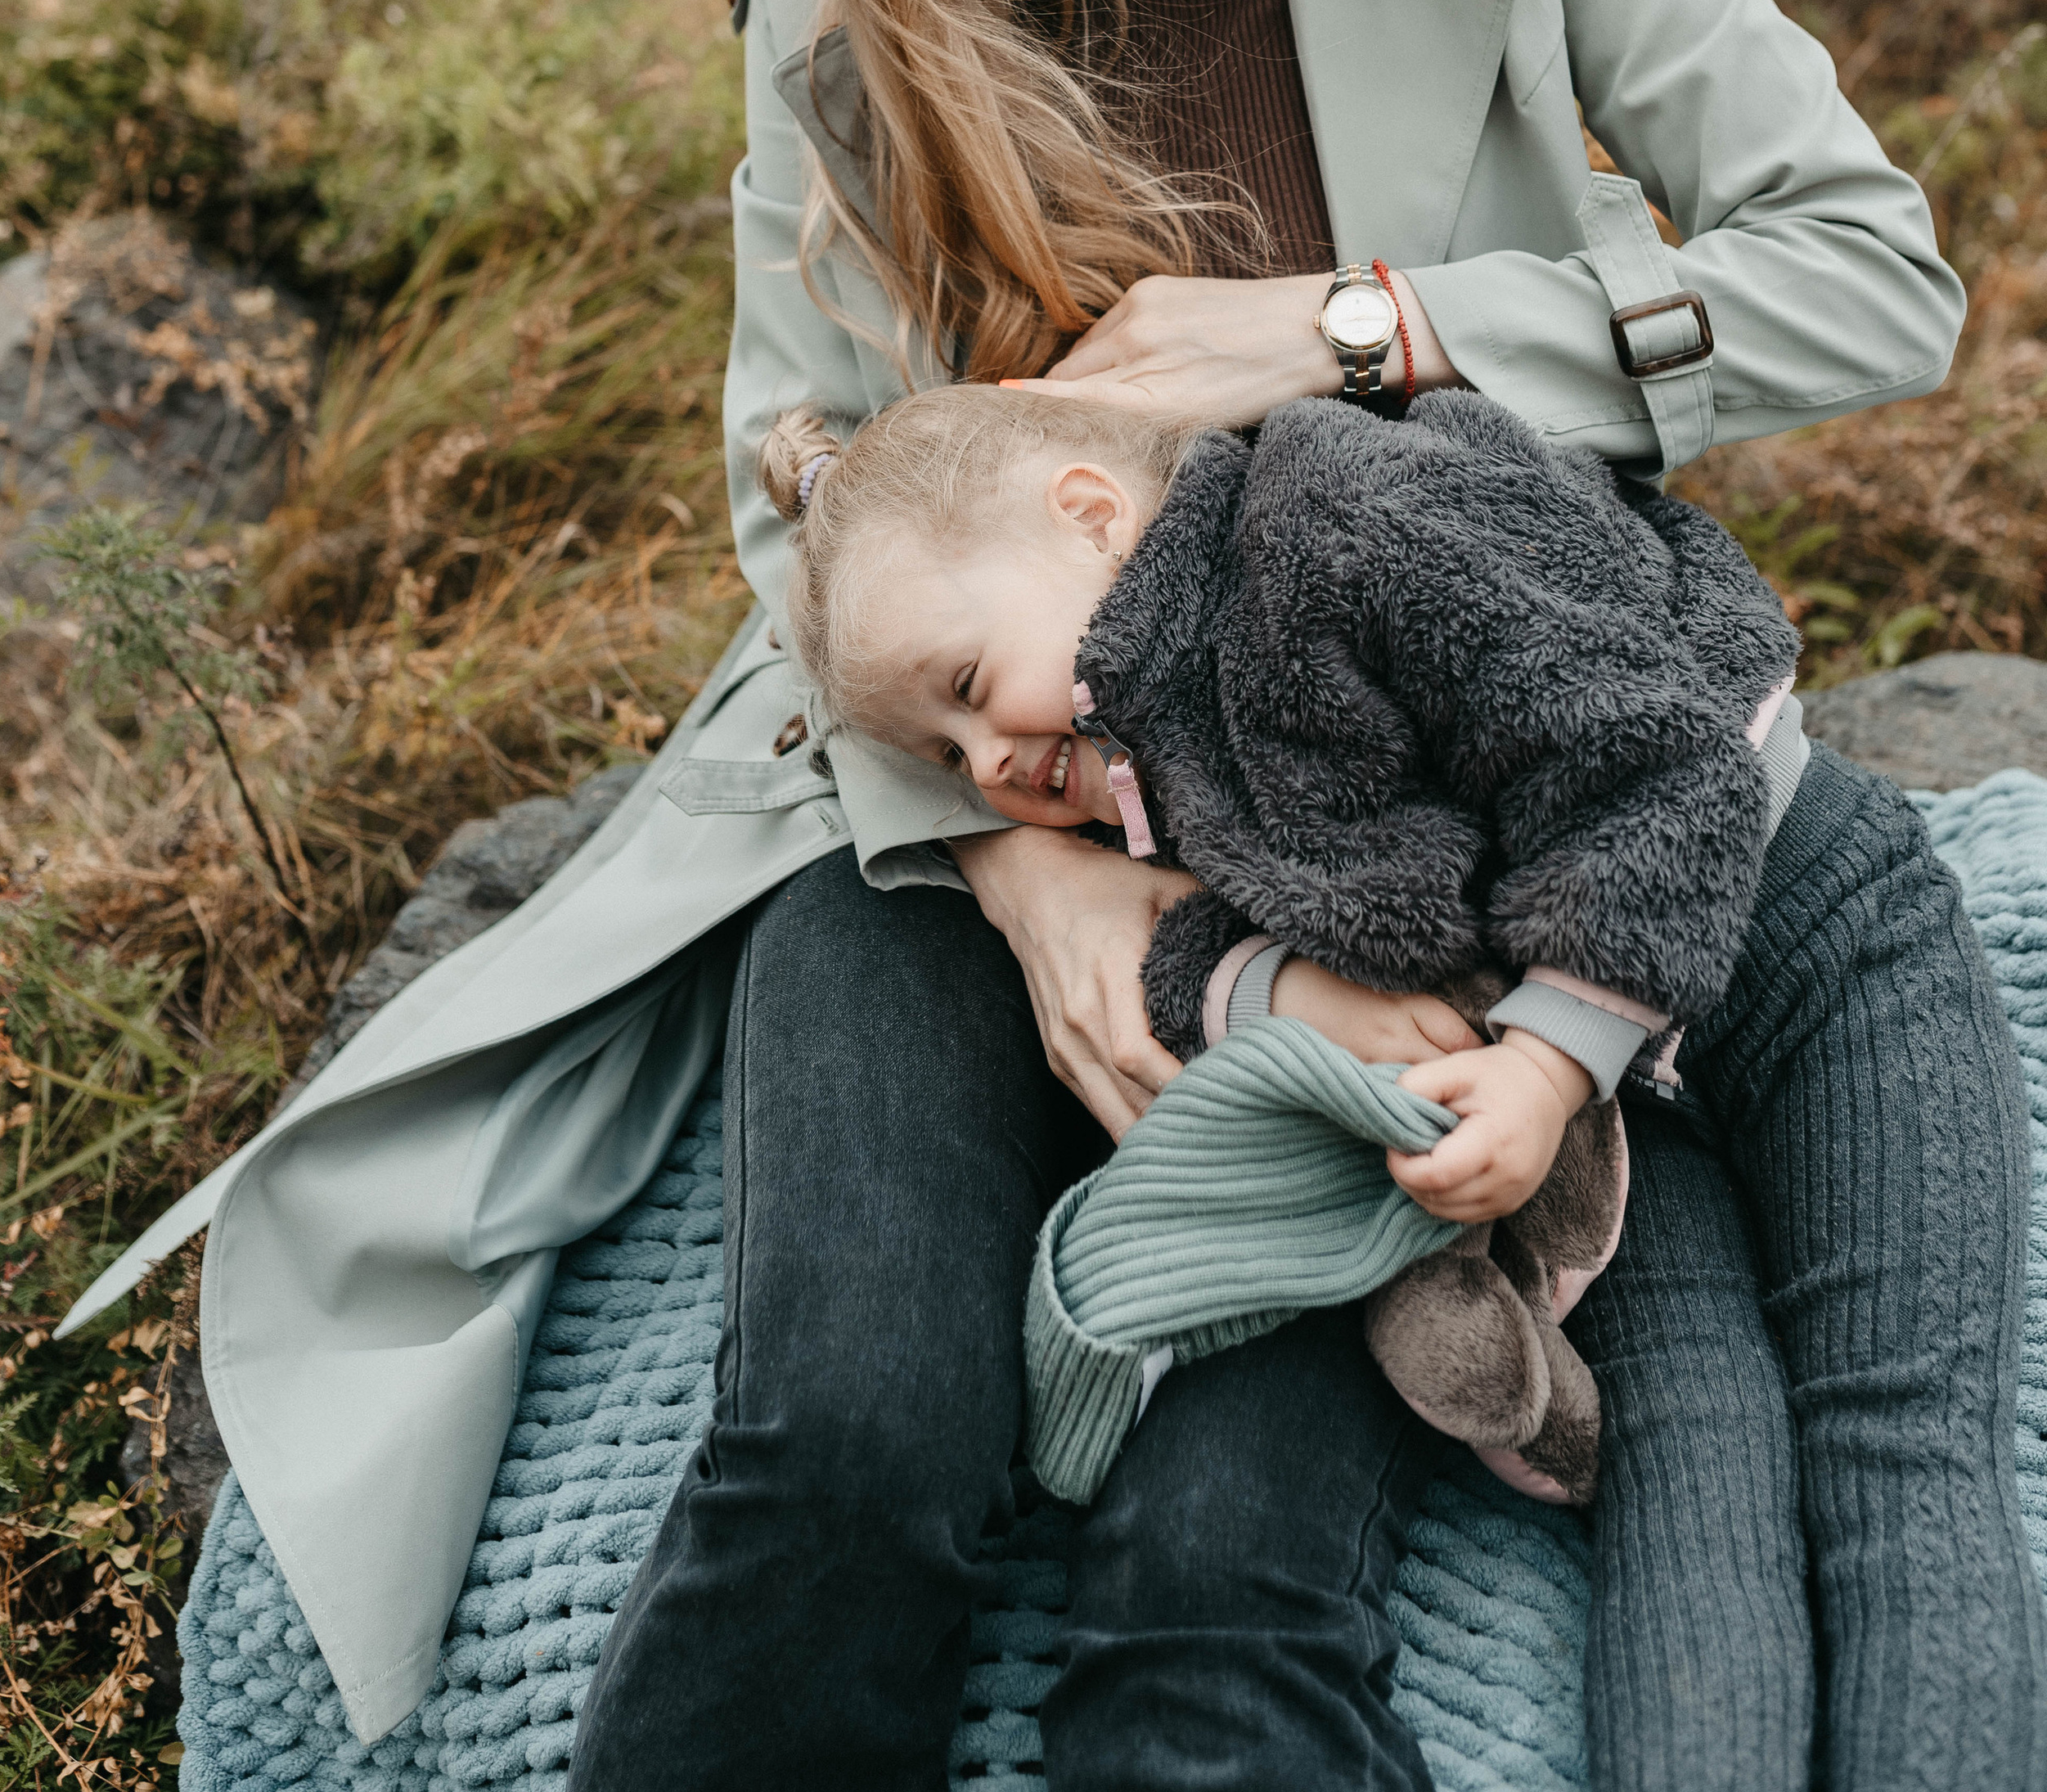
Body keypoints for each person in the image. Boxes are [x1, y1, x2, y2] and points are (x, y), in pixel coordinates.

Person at [548, 0, 2036, 1792]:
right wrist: (1017, 869)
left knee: (1215, 1571)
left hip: (1395, 780)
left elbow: (1862, 268)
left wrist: (1361, 332)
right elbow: (800, 476)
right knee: (847, 1442)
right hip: (957, 794)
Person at [731, 372, 2042, 1722]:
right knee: (1685, 1452)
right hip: (1627, 1089)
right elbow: (1204, 936)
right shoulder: (1144, 743)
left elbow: (1662, 772)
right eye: (946, 755)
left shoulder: (1339, 522)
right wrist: (1284, 989)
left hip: (1790, 940)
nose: (987, 766)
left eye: (965, 687)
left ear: (1087, 513)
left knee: (1890, 1431)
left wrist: (1543, 1058)